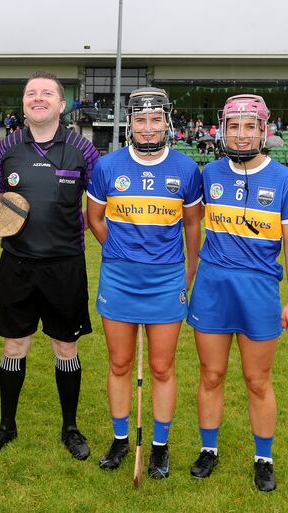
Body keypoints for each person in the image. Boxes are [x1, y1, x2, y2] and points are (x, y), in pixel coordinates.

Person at [186, 94, 288, 492]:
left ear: (263, 131)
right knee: (212, 374)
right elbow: (185, 221)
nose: (241, 135)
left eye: (249, 127)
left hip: (258, 290)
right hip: (213, 286)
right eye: (234, 127)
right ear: (223, 130)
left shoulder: (286, 180)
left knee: (258, 380)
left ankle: (263, 457)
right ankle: (209, 450)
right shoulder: (209, 174)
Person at [0, 71, 99, 461]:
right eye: (32, 93)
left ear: (62, 105)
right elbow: (1, 205)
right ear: (24, 104)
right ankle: (6, 425)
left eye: (48, 93)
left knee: (66, 346)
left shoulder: (83, 149)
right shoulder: (5, 148)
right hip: (17, 265)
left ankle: (71, 427)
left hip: (65, 266)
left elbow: (98, 205)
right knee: (15, 343)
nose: (39, 98)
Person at [86, 88, 202, 479]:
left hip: (166, 280)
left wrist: (186, 273)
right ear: (129, 124)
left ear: (166, 122)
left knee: (162, 366)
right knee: (119, 363)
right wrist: (118, 251)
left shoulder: (186, 169)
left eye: (155, 121)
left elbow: (191, 225)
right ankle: (120, 439)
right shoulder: (107, 167)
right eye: (140, 120)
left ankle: (159, 447)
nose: (148, 129)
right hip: (119, 279)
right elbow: (95, 219)